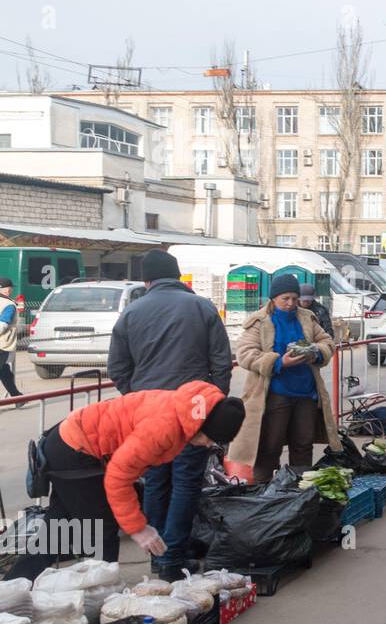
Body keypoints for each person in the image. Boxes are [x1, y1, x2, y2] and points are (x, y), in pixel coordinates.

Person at [4, 382, 245, 581]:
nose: (206, 445)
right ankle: (103, 602)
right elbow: (118, 478)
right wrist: (139, 529)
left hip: (70, 444)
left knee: (58, 530)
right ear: (200, 425)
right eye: (208, 439)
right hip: (76, 452)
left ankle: (12, 588)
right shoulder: (163, 428)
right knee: (102, 530)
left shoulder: (187, 409)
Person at [107, 248, 232, 576]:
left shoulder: (131, 313)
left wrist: (134, 398)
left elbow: (118, 367)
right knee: (186, 483)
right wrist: (213, 405)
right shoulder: (202, 307)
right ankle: (171, 558)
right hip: (193, 412)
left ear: (147, 279)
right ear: (177, 276)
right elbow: (221, 362)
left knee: (156, 482)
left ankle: (158, 554)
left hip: (147, 414)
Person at [227, 274, 340, 484]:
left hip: (306, 394)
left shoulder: (307, 317)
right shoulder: (260, 322)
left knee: (303, 444)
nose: (290, 304)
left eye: (294, 299)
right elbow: (245, 354)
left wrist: (315, 353)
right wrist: (279, 363)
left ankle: (297, 491)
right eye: (285, 299)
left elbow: (327, 341)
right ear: (273, 299)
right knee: (269, 446)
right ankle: (262, 492)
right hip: (275, 395)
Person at [0, 276, 23, 405]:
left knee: (4, 372)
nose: (10, 290)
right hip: (3, 344)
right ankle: (17, 397)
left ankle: (17, 397)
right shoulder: (8, 304)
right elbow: (3, 324)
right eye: (9, 288)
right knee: (3, 372)